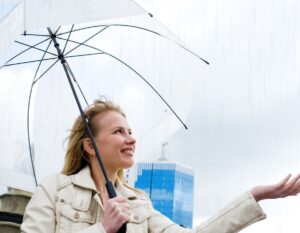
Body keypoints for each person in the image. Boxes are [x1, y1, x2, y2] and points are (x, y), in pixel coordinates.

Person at [21, 99, 300, 233]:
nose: (131, 139)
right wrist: (103, 229)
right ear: (90, 146)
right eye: (119, 132)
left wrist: (255, 196)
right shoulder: (54, 189)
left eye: (130, 131)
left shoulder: (138, 204)